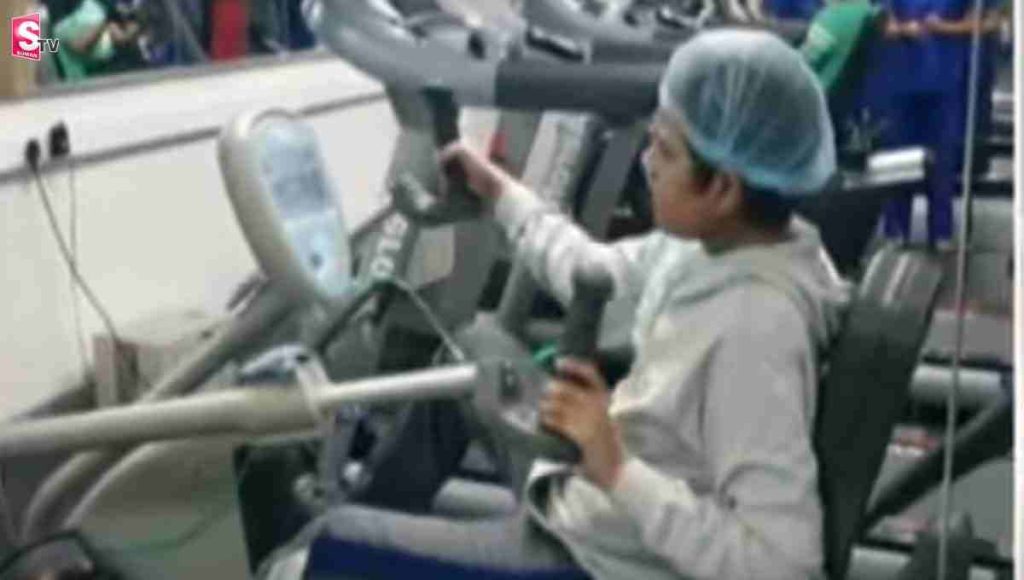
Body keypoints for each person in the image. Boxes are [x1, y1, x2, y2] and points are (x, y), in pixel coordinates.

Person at [262, 28, 850, 580]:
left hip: (598, 556)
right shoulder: (716, 244)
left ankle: (325, 550)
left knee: (329, 544)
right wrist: (497, 191)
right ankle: (368, 522)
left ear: (722, 187)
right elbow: (588, 269)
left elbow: (782, 563)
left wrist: (615, 465)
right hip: (585, 485)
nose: (647, 162)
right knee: (475, 350)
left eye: (665, 151)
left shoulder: (756, 330)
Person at [47, 0, 141, 82]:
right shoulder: (61, 11)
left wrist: (127, 33)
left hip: (127, 65)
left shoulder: (105, 5)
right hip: (91, 76)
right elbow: (78, 45)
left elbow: (129, 27)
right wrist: (104, 22)